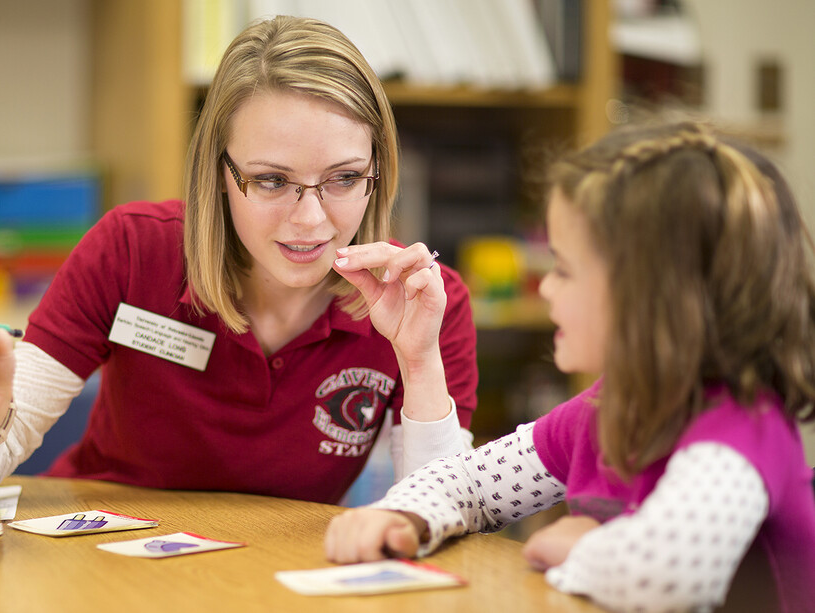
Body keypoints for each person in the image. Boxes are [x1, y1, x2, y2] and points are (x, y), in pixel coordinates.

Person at [0, 15, 479, 507]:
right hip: (100, 558)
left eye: (344, 178)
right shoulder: (132, 251)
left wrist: (418, 360)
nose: (311, 220)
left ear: (377, 173)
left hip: (271, 578)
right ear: (220, 172)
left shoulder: (422, 300)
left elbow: (437, 509)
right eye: (270, 180)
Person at [323, 121, 815, 612]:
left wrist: (573, 546)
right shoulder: (603, 412)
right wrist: (405, 518)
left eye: (564, 270)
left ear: (651, 300)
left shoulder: (746, 426)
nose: (548, 289)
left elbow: (667, 577)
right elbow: (468, 482)